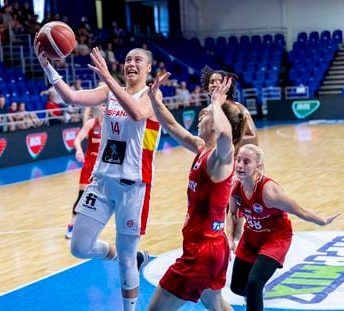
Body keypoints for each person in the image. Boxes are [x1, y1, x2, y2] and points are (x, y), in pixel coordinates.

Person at [35, 40, 162, 310]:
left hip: (133, 187)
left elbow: (138, 114)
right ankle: (123, 255)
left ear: (148, 68)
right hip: (102, 183)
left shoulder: (153, 97)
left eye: (138, 60)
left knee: (127, 260)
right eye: (128, 59)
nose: (131, 63)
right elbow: (71, 97)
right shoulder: (108, 91)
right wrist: (46, 66)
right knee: (79, 248)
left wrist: (107, 77)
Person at [147, 75, 247, 311]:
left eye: (205, 114)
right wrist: (154, 100)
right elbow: (171, 125)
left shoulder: (221, 158)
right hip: (214, 246)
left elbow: (225, 136)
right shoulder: (203, 149)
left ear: (216, 123)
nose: (199, 116)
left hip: (202, 251)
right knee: (217, 305)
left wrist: (216, 103)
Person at [226, 144, 340, 311]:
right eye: (238, 160)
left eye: (247, 161)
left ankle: (255, 294)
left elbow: (299, 210)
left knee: (254, 282)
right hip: (251, 236)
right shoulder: (236, 186)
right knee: (236, 287)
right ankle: (254, 294)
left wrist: (321, 221)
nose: (240, 165)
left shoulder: (269, 191)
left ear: (258, 166)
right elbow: (232, 214)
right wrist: (229, 237)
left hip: (275, 237)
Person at [65, 104, 105, 239]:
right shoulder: (91, 123)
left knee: (100, 199)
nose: (106, 108)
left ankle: (91, 228)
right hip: (89, 165)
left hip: (104, 167)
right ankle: (71, 225)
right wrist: (79, 149)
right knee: (82, 196)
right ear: (99, 107)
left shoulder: (114, 126)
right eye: (103, 105)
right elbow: (77, 139)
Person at [201, 66, 258, 146]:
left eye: (219, 81)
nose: (214, 84)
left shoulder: (238, 109)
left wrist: (223, 144)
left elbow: (253, 139)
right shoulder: (205, 112)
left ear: (227, 85)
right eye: (212, 82)